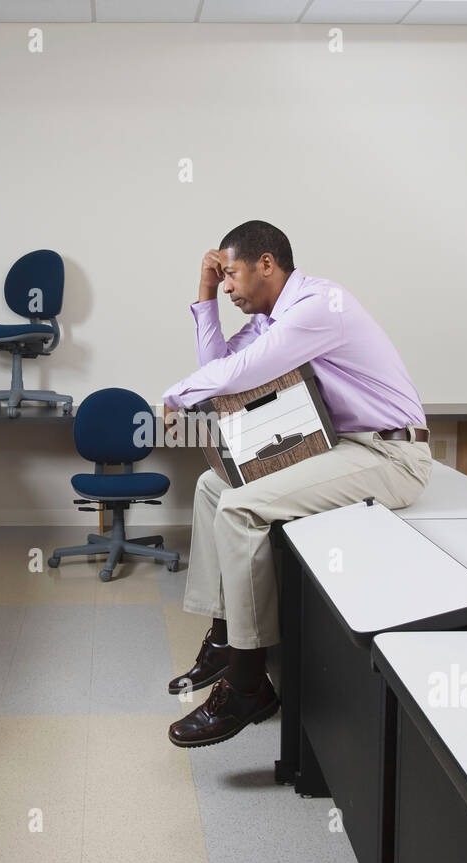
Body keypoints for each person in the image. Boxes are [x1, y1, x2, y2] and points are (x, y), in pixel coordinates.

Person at [162, 220, 432, 748]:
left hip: (393, 454)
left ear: (268, 264)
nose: (231, 287)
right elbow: (221, 367)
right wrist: (205, 295)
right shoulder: (271, 318)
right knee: (210, 488)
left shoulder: (318, 306)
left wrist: (175, 396)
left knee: (240, 508)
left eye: (233, 275)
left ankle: (247, 684)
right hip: (347, 446)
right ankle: (223, 637)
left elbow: (237, 377)